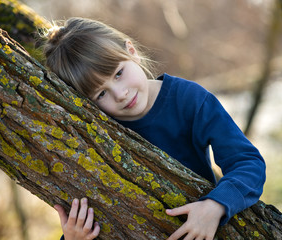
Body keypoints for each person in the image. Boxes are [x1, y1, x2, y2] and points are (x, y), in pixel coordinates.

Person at [43, 17, 266, 240]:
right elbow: (88, 213)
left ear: (131, 51)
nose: (120, 94)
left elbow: (248, 163)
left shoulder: (188, 99)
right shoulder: (95, 132)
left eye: (118, 73)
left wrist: (215, 205)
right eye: (101, 94)